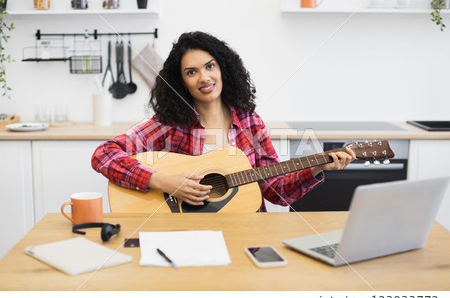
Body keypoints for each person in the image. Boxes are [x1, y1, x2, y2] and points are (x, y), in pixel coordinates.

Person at [91, 31, 355, 212]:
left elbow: (277, 192)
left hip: (247, 232)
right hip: (185, 234)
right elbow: (103, 155)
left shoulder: (251, 123)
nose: (204, 78)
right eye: (191, 72)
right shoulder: (169, 124)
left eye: (210, 66)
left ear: (223, 69)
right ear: (181, 82)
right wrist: (161, 181)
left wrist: (317, 167)